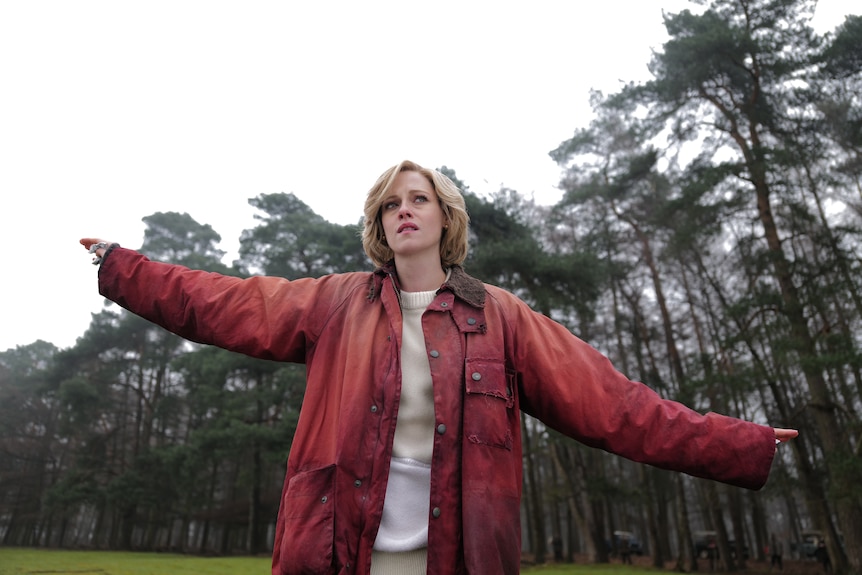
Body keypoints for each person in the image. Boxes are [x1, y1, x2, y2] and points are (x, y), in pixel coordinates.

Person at [81, 160, 798, 575]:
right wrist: (122, 266)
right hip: (338, 560)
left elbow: (617, 407)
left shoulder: (503, 317)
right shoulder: (337, 303)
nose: (404, 210)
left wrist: (743, 443)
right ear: (378, 223)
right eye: (391, 203)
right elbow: (219, 301)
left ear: (444, 216)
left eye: (418, 197)